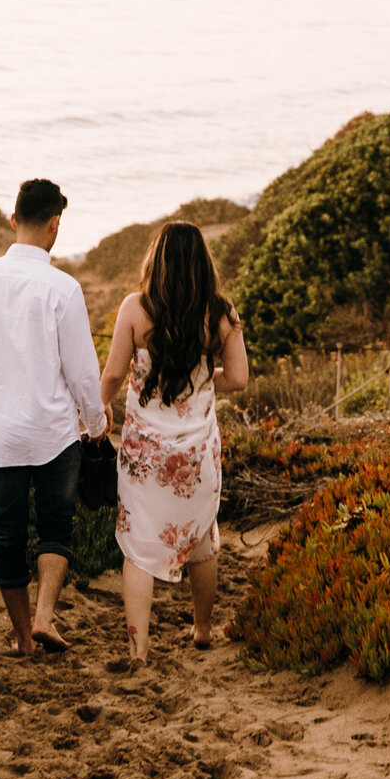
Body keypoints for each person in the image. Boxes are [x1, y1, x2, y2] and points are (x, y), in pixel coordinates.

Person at [0, 178, 108, 655]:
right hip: (55, 434)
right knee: (57, 526)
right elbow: (81, 372)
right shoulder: (64, 289)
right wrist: (96, 426)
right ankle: (44, 617)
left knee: (7, 534)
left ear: (13, 220)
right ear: (55, 225)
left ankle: (22, 638)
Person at [99, 221, 249, 663]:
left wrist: (97, 407)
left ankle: (139, 649)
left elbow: (111, 374)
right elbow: (239, 379)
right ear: (203, 262)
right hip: (196, 454)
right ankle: (202, 631)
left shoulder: (134, 308)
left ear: (156, 259)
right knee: (202, 538)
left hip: (146, 454)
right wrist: (200, 380)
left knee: (139, 546)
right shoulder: (221, 313)